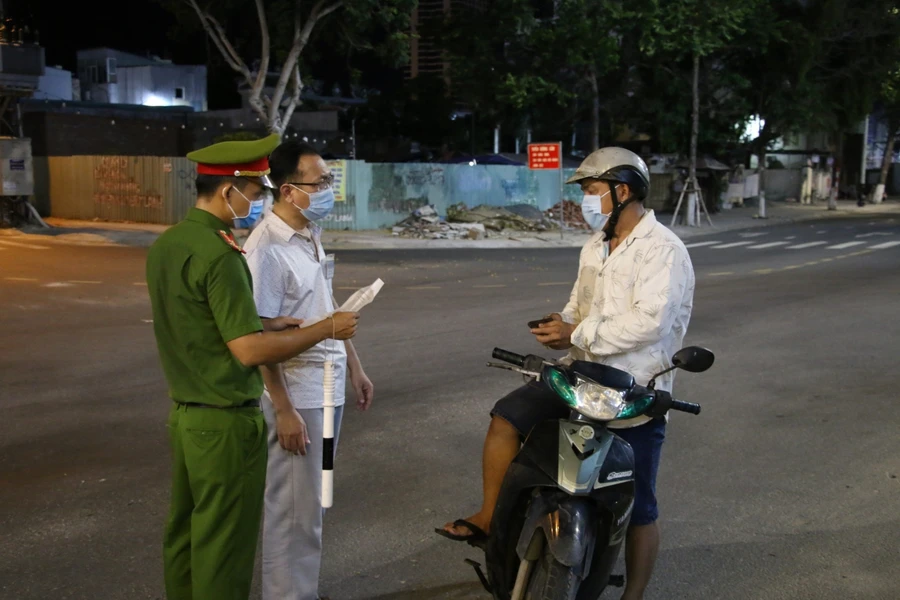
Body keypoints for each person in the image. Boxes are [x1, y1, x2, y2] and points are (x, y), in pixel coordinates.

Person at [438, 147, 695, 600]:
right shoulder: (595, 246)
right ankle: (489, 514)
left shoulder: (663, 251)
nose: (586, 201)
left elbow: (649, 323)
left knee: (639, 509)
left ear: (623, 190)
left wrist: (580, 330)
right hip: (580, 376)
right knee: (505, 419)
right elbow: (579, 304)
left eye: (593, 191)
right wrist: (560, 326)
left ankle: (632, 595)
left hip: (633, 390)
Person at [145, 133, 360, 600]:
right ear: (229, 191)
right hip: (225, 419)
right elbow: (247, 349)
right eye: (256, 191)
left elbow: (205, 325)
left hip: (186, 412)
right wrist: (321, 331)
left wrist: (279, 326)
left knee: (187, 534)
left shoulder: (171, 244)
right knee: (226, 545)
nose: (258, 200)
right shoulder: (223, 255)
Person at [243, 141, 375, 600]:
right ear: (288, 190)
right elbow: (258, 335)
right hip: (297, 394)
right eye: (318, 182)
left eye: (328, 180)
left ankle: (303, 592)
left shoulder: (308, 234)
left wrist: (354, 366)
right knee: (293, 510)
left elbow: (326, 307)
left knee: (313, 506)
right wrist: (282, 408)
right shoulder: (266, 248)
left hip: (327, 385)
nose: (327, 190)